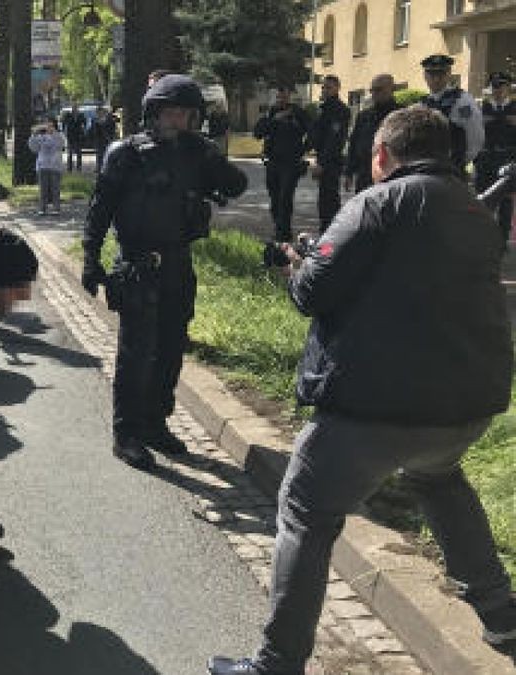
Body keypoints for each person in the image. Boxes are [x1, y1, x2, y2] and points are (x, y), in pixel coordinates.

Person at [209, 105, 516, 675]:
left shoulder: (376, 202)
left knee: (304, 513)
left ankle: (277, 663)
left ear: (382, 154)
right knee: (441, 481)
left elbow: (312, 294)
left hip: (375, 409)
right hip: (465, 405)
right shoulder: (474, 211)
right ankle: (503, 615)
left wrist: (297, 262)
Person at [81, 74, 247, 470]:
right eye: (171, 112)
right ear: (153, 113)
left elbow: (237, 185)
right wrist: (91, 256)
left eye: (186, 114)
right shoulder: (126, 154)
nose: (178, 120)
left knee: (171, 351)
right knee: (136, 355)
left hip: (178, 264)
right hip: (137, 265)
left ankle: (156, 423)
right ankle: (127, 433)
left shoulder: (195, 153)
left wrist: (211, 153)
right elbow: (99, 207)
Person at [254, 86, 310, 242]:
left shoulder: (298, 112)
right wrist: (274, 120)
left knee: (285, 198)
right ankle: (279, 227)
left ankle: (283, 233)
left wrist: (303, 149)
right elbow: (258, 133)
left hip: (291, 163)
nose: (280, 100)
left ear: (289, 97)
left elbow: (312, 131)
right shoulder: (271, 113)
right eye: (278, 97)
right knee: (274, 199)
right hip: (272, 162)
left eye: (283, 97)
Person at [420, 54, 484, 173]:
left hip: (452, 167)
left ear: (449, 74)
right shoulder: (423, 103)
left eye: (441, 74)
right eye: (431, 74)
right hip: (427, 167)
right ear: (425, 76)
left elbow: (475, 135)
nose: (436, 79)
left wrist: (460, 162)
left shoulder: (462, 100)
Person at [343, 74, 401, 193]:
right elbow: (354, 144)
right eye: (372, 90)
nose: (374, 93)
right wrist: (349, 172)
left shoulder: (401, 115)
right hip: (365, 173)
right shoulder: (364, 116)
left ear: (392, 89)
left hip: (391, 174)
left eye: (379, 89)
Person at [307, 75, 350, 232]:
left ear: (338, 88)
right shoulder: (323, 108)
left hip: (331, 161)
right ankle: (326, 232)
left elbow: (334, 140)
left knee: (330, 200)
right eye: (323, 87)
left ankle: (332, 234)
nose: (325, 90)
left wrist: (322, 163)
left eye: (329, 87)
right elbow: (315, 134)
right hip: (322, 158)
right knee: (324, 200)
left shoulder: (339, 110)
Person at [477, 71, 516, 241]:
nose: (498, 89)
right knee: (483, 197)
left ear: (509, 87)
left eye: (502, 85)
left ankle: (502, 237)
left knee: (506, 200)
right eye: (495, 86)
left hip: (507, 157)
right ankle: (483, 236)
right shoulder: (481, 107)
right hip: (485, 158)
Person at [28, 118, 66, 215]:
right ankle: (42, 208)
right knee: (43, 189)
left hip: (55, 166)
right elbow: (33, 148)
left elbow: (61, 145)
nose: (49, 128)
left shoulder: (59, 135)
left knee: (55, 188)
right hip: (42, 165)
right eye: (47, 125)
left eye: (51, 125)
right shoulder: (41, 137)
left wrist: (54, 134)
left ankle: (56, 208)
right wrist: (34, 134)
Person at [92, 106, 118, 172]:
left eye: (100, 112)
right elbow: (94, 131)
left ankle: (107, 167)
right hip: (99, 140)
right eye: (97, 112)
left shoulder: (109, 119)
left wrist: (111, 137)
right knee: (99, 155)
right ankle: (99, 168)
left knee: (107, 154)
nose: (99, 114)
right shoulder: (95, 120)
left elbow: (113, 127)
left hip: (107, 139)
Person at [63, 104, 86, 171]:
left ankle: (79, 167)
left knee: (79, 152)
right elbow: (64, 123)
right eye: (74, 108)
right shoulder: (68, 115)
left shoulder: (81, 115)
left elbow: (84, 123)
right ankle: (69, 167)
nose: (75, 109)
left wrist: (83, 130)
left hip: (78, 136)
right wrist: (64, 131)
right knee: (70, 152)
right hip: (70, 136)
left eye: (76, 108)